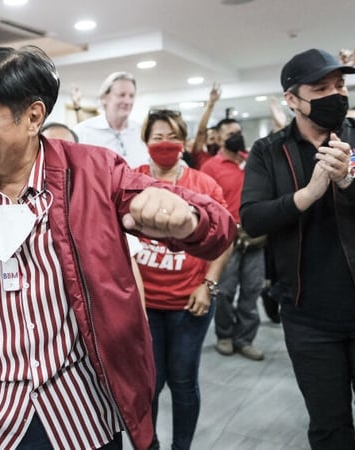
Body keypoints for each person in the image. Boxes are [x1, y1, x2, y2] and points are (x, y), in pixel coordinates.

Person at [0, 45, 236, 450]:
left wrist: (190, 219)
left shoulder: (95, 172)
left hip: (81, 417)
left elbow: (220, 229)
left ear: (33, 117)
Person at [241, 48, 355, 449]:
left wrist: (351, 182)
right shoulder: (269, 151)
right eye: (320, 88)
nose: (335, 95)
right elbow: (252, 218)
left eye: (339, 85)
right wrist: (306, 195)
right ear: (292, 99)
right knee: (328, 430)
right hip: (309, 319)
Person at [135, 109, 232, 450]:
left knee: (183, 379)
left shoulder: (203, 184)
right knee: (150, 381)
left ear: (184, 142)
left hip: (189, 304)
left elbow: (225, 237)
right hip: (143, 306)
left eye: (172, 137)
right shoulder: (133, 179)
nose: (165, 144)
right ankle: (149, 445)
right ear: (145, 141)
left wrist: (208, 285)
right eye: (157, 137)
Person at [201, 118, 266, 361]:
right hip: (227, 238)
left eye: (238, 131)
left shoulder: (253, 160)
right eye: (230, 133)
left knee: (252, 289)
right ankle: (225, 335)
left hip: (255, 236)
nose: (236, 136)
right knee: (226, 290)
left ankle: (245, 339)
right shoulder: (210, 167)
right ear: (217, 138)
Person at [73, 71, 149, 167]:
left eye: (131, 96)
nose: (127, 101)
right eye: (122, 95)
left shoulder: (142, 132)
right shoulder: (82, 132)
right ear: (104, 98)